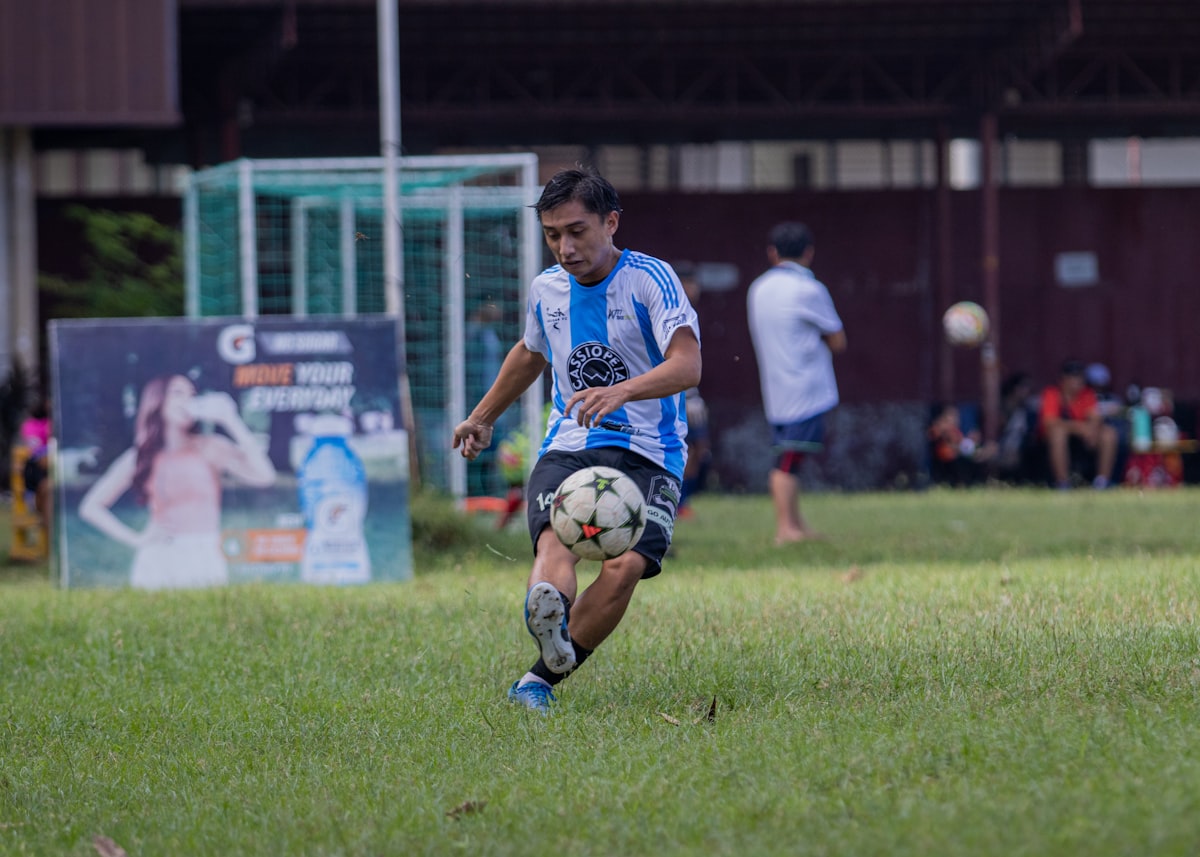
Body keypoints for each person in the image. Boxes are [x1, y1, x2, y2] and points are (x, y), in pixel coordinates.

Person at [451, 167, 701, 714]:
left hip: (649, 450)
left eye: (577, 231)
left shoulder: (650, 280)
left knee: (624, 567)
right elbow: (530, 352)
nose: (565, 248)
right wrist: (483, 416)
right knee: (555, 541)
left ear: (610, 223)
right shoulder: (547, 289)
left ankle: (538, 678)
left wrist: (622, 391)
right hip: (570, 442)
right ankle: (552, 617)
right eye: (552, 235)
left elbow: (688, 366)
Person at [79, 374, 277, 589]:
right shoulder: (141, 455)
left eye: (192, 394)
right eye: (177, 393)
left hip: (203, 552)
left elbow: (265, 476)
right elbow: (91, 507)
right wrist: (137, 539)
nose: (187, 400)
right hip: (159, 556)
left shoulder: (209, 447)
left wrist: (231, 421)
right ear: (159, 401)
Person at [746, 221, 846, 545]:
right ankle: (785, 529)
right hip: (806, 388)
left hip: (775, 388)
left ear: (773, 253)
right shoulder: (809, 288)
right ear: (809, 253)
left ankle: (797, 525)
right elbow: (837, 340)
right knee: (788, 461)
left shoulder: (758, 288)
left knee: (790, 457)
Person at [1037, 358, 1118, 490]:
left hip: (1082, 440)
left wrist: (1092, 430)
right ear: (1063, 379)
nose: (1077, 382)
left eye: (1080, 378)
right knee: (1058, 433)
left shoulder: (1087, 394)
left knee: (1108, 433)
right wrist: (1079, 428)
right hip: (1051, 442)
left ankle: (1101, 482)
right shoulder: (1052, 393)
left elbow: (1094, 417)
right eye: (1073, 377)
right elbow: (1050, 423)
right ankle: (1062, 483)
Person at [674, 262, 711, 519]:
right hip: (674, 393)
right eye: (686, 283)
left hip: (692, 394)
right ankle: (675, 501)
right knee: (683, 449)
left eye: (694, 283)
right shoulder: (666, 311)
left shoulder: (692, 313)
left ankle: (682, 500)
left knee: (699, 449)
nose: (692, 289)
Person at [19, 397, 53, 533]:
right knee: (46, 486)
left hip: (48, 470)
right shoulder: (31, 425)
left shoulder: (50, 423)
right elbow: (36, 451)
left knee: (48, 486)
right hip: (37, 470)